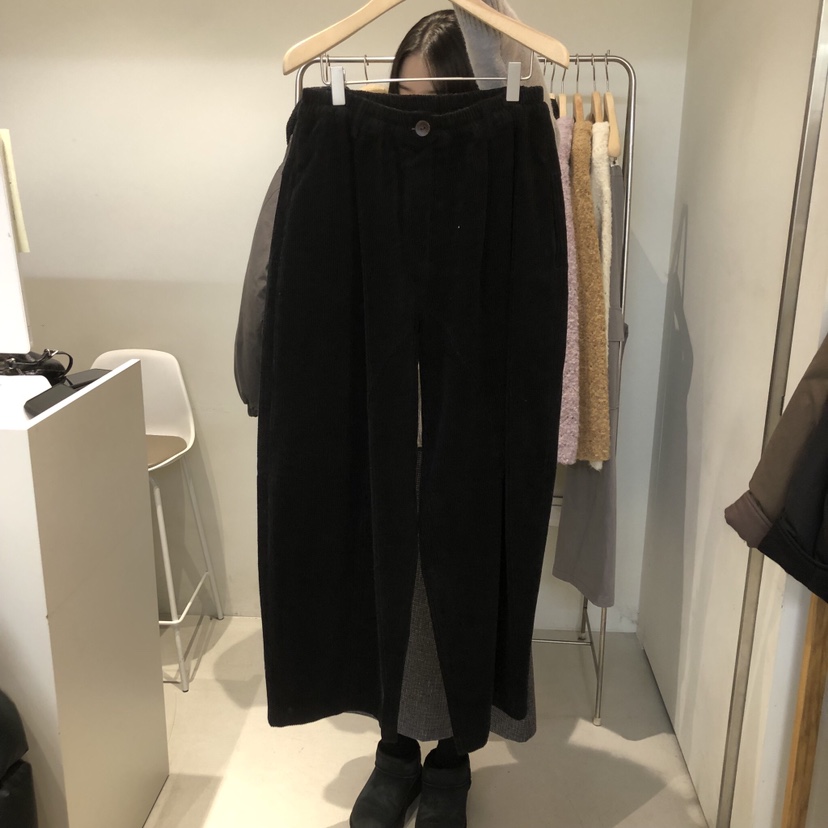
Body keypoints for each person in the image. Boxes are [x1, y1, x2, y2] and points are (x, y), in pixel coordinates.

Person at [235, 10, 562, 828]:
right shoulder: (337, 142)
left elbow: (541, 320)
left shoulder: (515, 151)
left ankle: (450, 757)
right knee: (379, 581)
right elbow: (276, 284)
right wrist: (264, 384)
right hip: (376, 428)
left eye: (441, 98)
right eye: (406, 95)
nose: (423, 114)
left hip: (468, 428)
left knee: (462, 572)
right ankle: (394, 750)